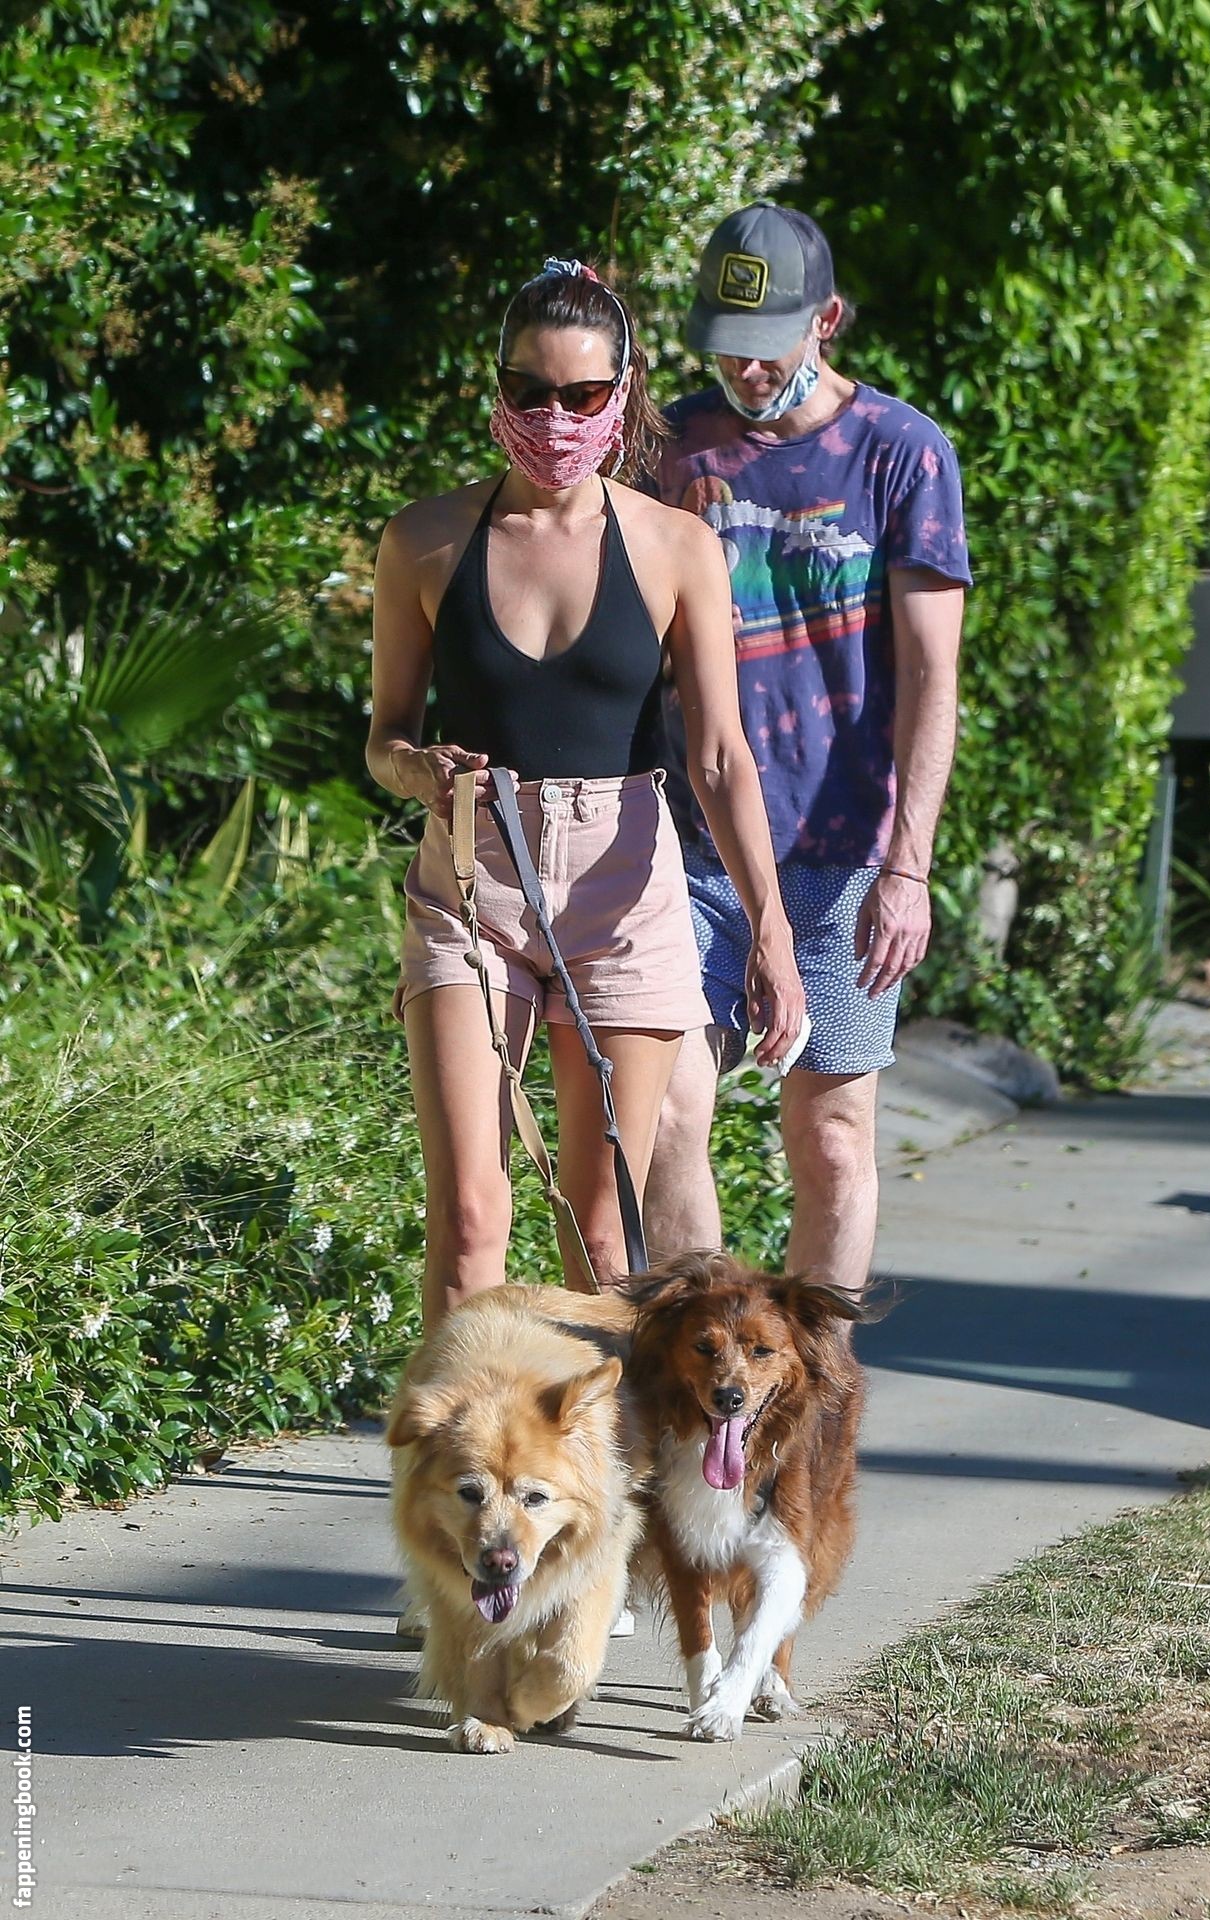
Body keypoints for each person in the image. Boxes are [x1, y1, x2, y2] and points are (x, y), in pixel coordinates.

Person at [366, 257, 805, 1327]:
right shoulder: (425, 539)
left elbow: (719, 757)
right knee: (469, 1219)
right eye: (529, 391)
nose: (553, 419)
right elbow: (384, 737)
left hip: (623, 884)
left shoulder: (675, 546)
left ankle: (588, 1440)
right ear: (496, 390)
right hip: (475, 878)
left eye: (581, 395)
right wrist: (417, 769)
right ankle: (460, 1439)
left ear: (622, 393)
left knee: (602, 1235)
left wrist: (770, 931)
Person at [643, 201, 971, 1296]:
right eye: (724, 346)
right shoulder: (666, 448)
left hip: (839, 853)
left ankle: (814, 1386)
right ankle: (698, 1380)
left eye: (767, 344)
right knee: (668, 1112)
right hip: (686, 843)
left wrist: (907, 868)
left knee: (830, 1141)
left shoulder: (900, 453)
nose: (743, 369)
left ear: (825, 320)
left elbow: (931, 677)